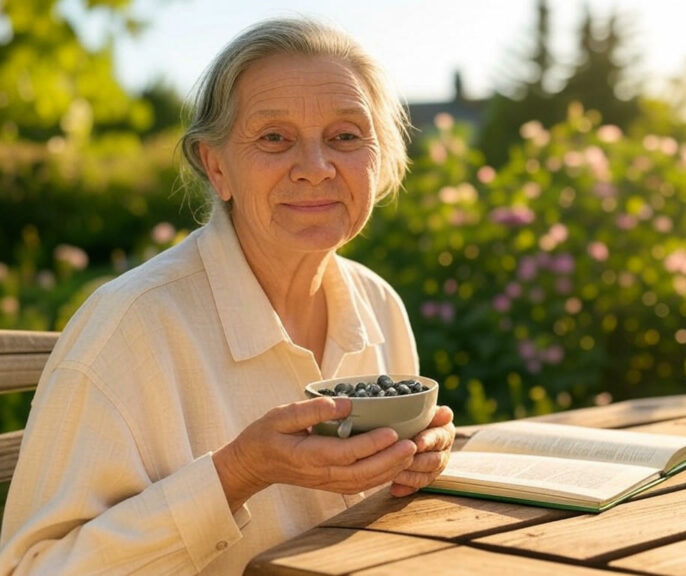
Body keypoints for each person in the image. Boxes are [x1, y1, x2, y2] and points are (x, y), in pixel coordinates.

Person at [0, 17, 455, 575]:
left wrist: (412, 468)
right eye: (274, 138)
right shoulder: (128, 328)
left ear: (377, 156)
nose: (315, 168)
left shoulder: (378, 304)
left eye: (344, 136)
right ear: (217, 167)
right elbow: (34, 568)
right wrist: (238, 473)